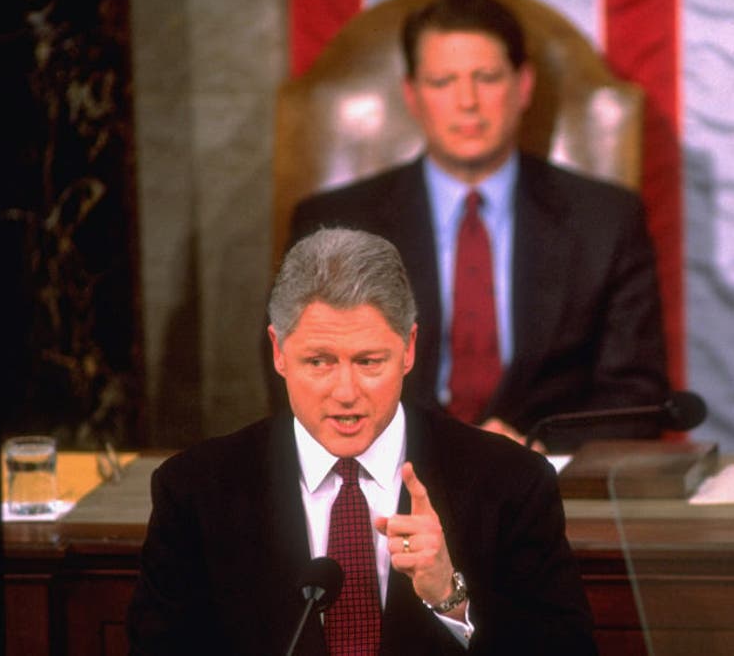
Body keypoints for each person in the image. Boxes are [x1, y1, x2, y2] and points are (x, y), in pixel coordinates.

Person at [127, 228, 598, 655]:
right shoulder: (195, 491)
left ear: (409, 349)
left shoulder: (511, 483)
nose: (346, 393)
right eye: (319, 362)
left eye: (369, 361)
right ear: (278, 352)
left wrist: (449, 599)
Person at [287, 0, 670, 453]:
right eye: (443, 81)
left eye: (486, 78)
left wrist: (534, 446)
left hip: (549, 485)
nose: (467, 102)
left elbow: (638, 398)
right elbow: (303, 382)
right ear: (412, 95)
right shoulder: (332, 227)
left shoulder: (607, 221)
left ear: (523, 86)